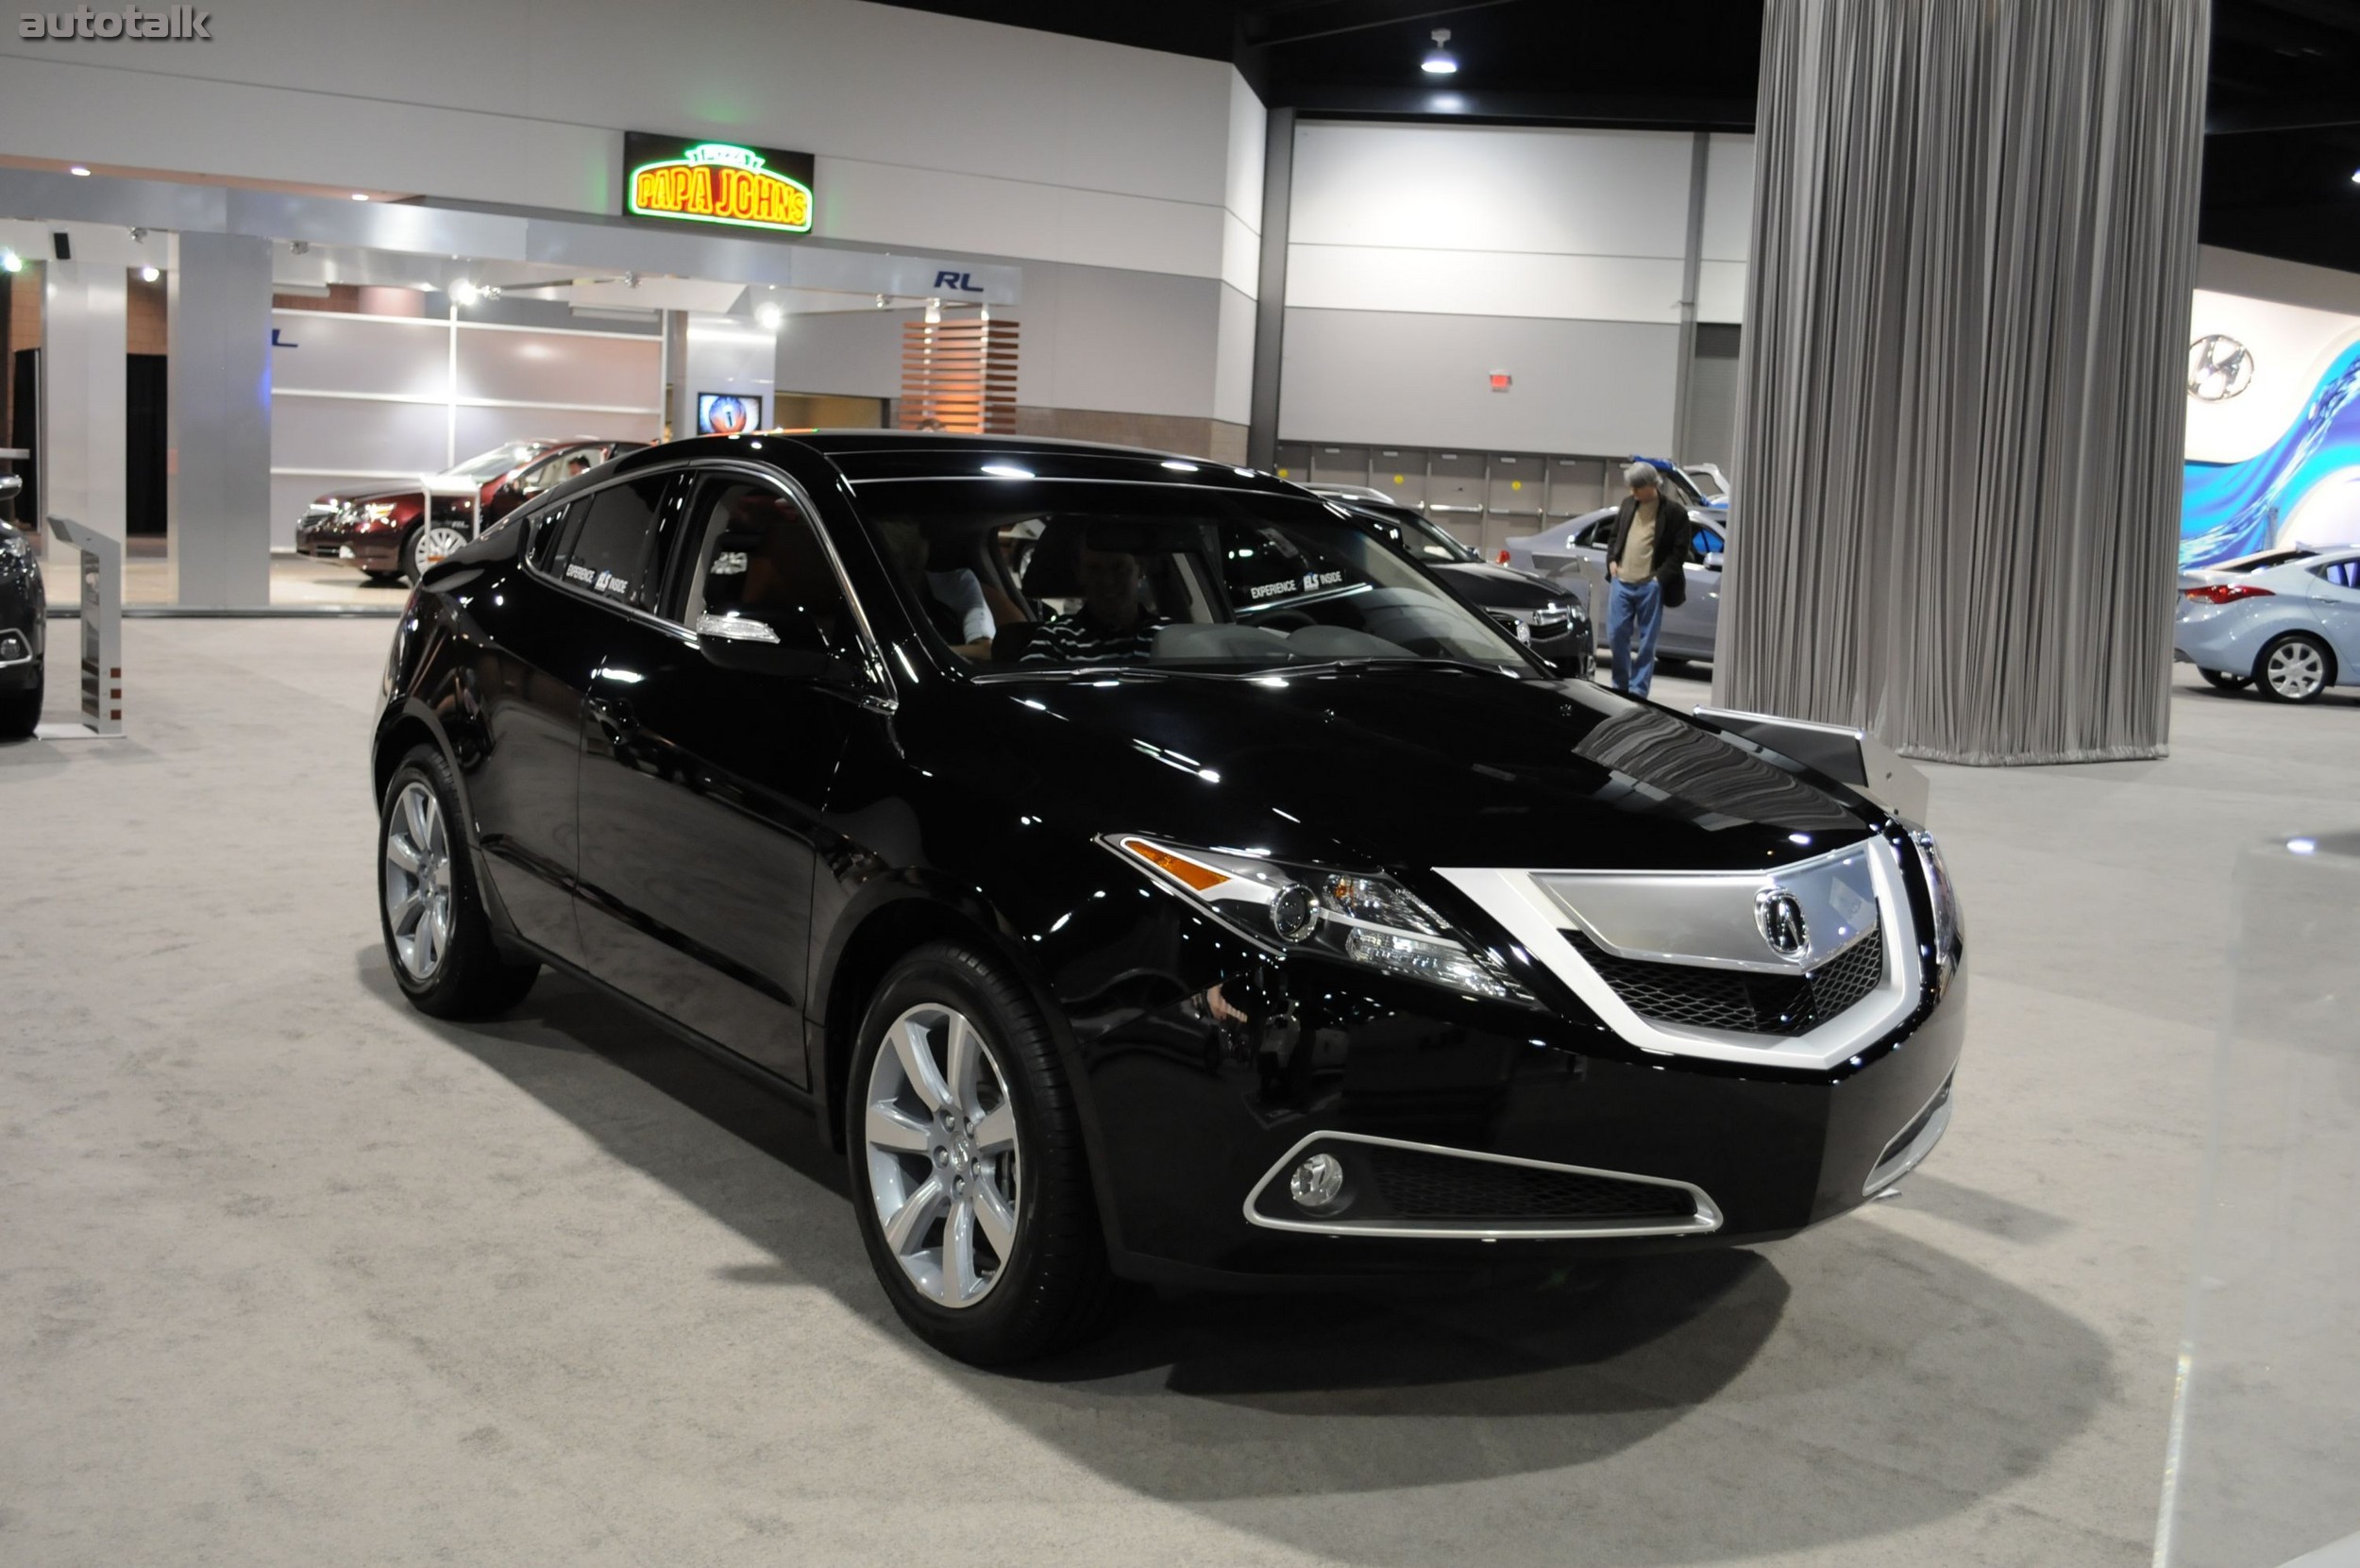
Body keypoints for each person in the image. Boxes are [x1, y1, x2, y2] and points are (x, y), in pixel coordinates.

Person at [1601, 461, 1690, 700]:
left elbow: (1680, 551)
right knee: (1616, 634)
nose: (1633, 492)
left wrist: (1659, 579)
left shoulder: (1674, 513)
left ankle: (1638, 692)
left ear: (1651, 485)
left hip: (1650, 584)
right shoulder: (1628, 504)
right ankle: (1620, 687)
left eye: (1637, 488)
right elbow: (1614, 537)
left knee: (1647, 642)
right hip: (1622, 581)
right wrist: (1612, 560)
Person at [1020, 544, 1162, 665]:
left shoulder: (1170, 635)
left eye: (1119, 567)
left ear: (1141, 567)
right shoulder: (1054, 641)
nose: (1108, 581)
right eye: (1094, 569)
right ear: (1079, 573)